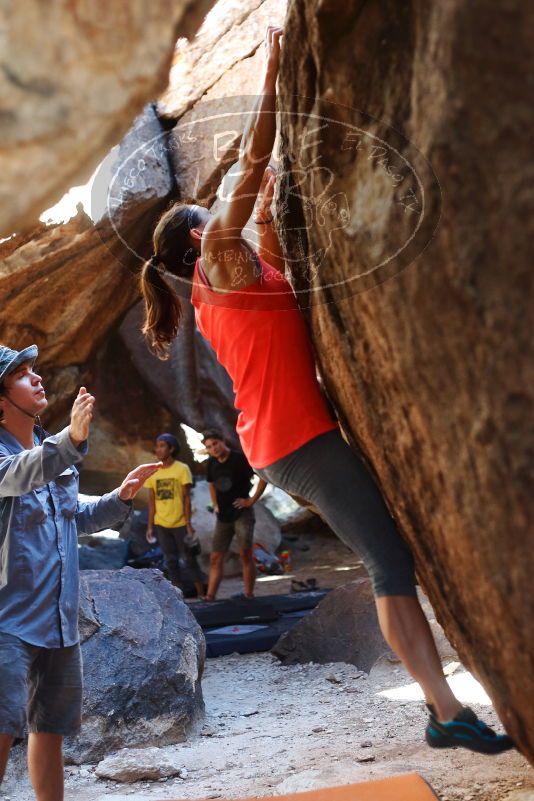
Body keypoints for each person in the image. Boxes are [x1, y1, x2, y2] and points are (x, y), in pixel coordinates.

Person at [138, 27, 514, 755]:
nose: (219, 211)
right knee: (387, 562)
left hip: (290, 433)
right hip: (294, 440)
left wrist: (278, 191)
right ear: (198, 240)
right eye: (206, 213)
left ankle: (445, 704)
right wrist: (276, 73)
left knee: (392, 553)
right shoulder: (217, 263)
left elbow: (274, 235)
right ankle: (444, 710)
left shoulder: (246, 272)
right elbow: (248, 161)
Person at [0, 343, 162, 797]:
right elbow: (21, 473)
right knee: (2, 725)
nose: (36, 379)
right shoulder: (24, 457)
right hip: (6, 622)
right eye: (21, 374)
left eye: (34, 370)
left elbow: (76, 513)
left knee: (47, 727)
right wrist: (70, 440)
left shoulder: (53, 454)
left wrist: (120, 497)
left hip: (57, 620)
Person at [202, 430, 268, 600]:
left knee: (245, 553)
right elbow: (211, 483)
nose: (213, 448)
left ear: (223, 441)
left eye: (215, 443)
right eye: (209, 447)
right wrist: (215, 503)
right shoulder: (211, 463)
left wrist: (251, 500)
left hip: (242, 513)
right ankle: (210, 596)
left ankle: (248, 594)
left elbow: (263, 476)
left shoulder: (239, 459)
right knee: (216, 557)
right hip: (222, 516)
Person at [144, 433, 204, 597]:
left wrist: (189, 524)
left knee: (189, 558)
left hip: (180, 523)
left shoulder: (182, 469)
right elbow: (152, 500)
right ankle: (179, 596)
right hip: (161, 523)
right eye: (157, 446)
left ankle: (202, 594)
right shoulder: (152, 471)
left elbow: (186, 498)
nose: (158, 449)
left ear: (171, 448)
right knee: (170, 561)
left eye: (162, 445)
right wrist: (150, 526)